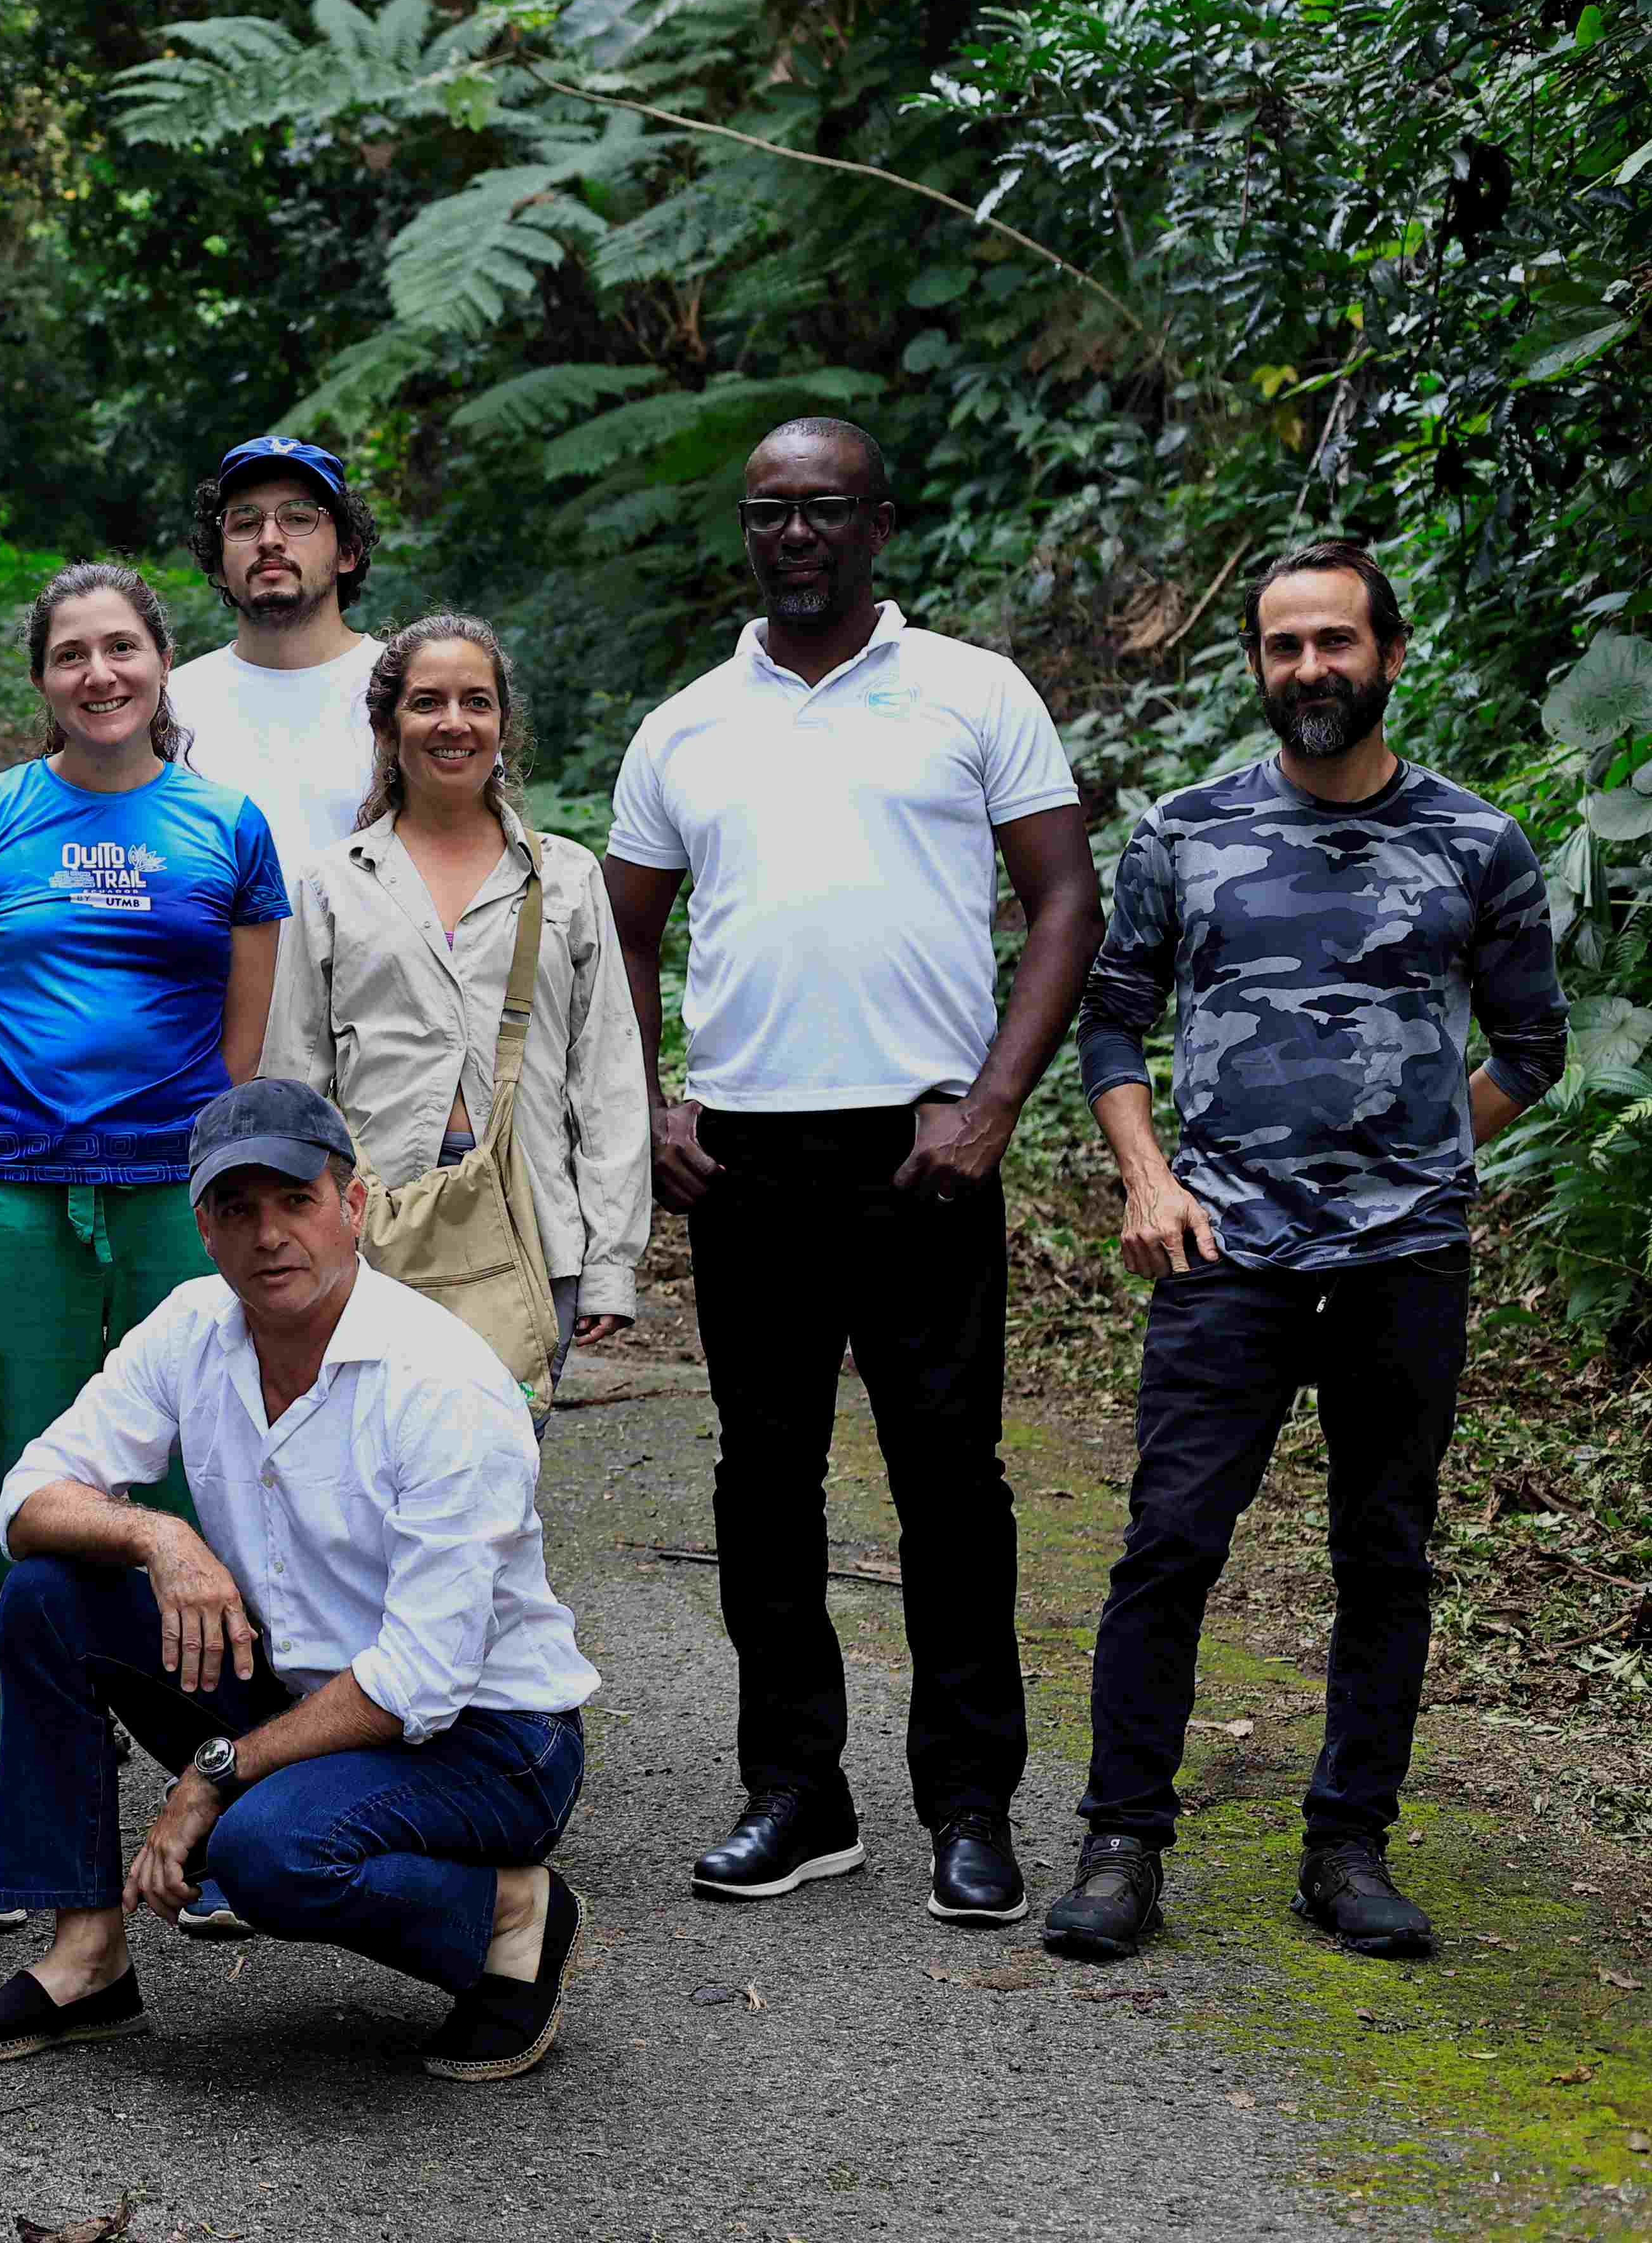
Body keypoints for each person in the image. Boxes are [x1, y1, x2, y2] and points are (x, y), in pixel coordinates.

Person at [601, 417, 1102, 1929]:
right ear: (745, 531)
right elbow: (625, 925)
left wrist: (996, 1108)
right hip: (746, 1151)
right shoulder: (687, 722)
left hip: (924, 1148)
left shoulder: (973, 692)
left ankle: (970, 1804)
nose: (796, 533)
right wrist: (653, 1102)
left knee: (951, 1483)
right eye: (769, 511)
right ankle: (797, 1792)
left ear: (881, 520)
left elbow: (1065, 896)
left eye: (825, 508)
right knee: (765, 1482)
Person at [1044, 543, 1566, 1967]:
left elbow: (1534, 1047)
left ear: (1390, 654)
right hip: (1224, 1251)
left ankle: (1348, 1845)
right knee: (1168, 1544)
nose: (1309, 669)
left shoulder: (1476, 840)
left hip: (1404, 1260)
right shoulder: (1188, 831)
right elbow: (1110, 1018)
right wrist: (1150, 1177)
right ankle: (1122, 1841)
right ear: (1259, 667)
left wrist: (1420, 1152)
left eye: (1335, 641)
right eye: (1283, 647)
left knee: (1384, 1553)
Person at [0, 1081, 597, 2078]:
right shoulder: (194, 1326)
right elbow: (26, 1500)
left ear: (352, 1207)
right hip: (305, 1696)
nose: (270, 1235)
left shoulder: (442, 1384)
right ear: (204, 1228)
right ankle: (86, 1962)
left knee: (264, 1852)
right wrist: (161, 1539)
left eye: (296, 1201)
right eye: (238, 1209)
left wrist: (215, 1774)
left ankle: (515, 1914)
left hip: (491, 1743)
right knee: (50, 1597)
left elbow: (420, 1679)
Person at [0, 561, 290, 1927]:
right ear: (41, 679)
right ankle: (19, 1802)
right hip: (16, 1193)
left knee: (197, 1499)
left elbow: (240, 1047)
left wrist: (185, 1175)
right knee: (21, 1497)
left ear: (159, 661)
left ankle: (215, 1802)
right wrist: (9, 1137)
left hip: (172, 1204)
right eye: (70, 653)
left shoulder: (228, 827)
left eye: (121, 646)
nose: (99, 673)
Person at [266, 614, 649, 1395]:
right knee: (369, 1468)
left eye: (476, 702)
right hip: (376, 1228)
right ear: (387, 725)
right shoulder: (331, 882)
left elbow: (607, 1081)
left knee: (502, 1474)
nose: (453, 723)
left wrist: (611, 1264)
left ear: (503, 725)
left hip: (535, 1229)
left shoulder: (567, 881)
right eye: (426, 702)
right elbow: (296, 1081)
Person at [165, 435, 386, 887]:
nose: (269, 539)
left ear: (347, 552)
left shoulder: (411, 689)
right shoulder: (169, 703)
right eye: (244, 524)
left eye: (299, 518)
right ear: (219, 564)